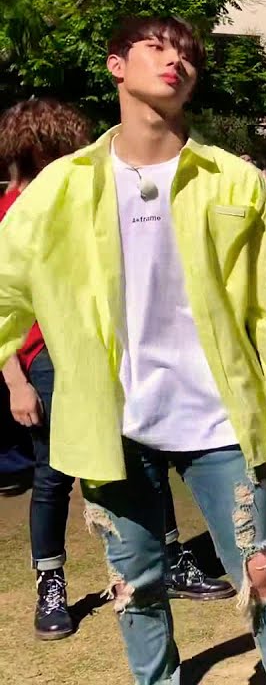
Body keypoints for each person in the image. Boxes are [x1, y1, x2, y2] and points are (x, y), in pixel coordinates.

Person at [0, 16, 266, 682]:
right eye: (157, 47)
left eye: (188, 55)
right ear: (116, 65)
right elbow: (4, 291)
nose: (176, 62)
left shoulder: (234, 181)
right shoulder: (61, 187)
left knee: (263, 573)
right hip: (110, 426)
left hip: (220, 418)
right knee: (136, 586)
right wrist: (13, 374)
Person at [0, 98, 239, 641]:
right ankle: (51, 582)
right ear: (39, 149)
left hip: (111, 349)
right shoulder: (16, 208)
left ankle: (170, 556)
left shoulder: (87, 194)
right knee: (54, 475)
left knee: (148, 448)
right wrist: (15, 380)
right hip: (47, 361)